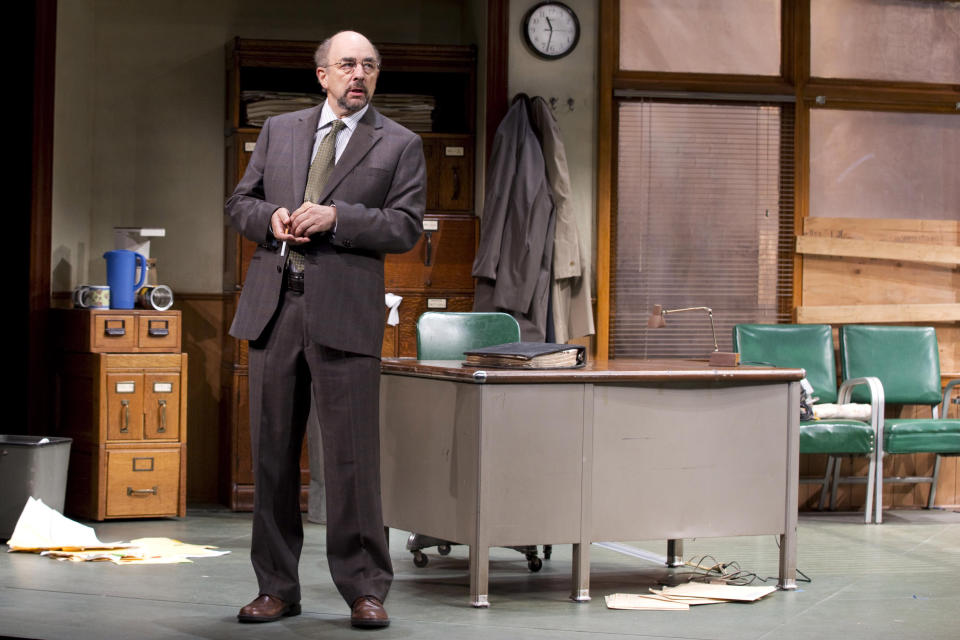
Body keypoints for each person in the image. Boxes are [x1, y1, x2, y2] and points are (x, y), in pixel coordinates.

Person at [225, 30, 426, 629]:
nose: (358, 74)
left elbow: (406, 226)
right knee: (273, 457)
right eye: (346, 65)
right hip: (275, 309)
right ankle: (276, 587)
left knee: (351, 461)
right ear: (323, 75)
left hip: (344, 313)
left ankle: (366, 588)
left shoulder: (401, 143)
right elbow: (240, 202)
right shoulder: (280, 131)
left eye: (368, 65)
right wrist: (273, 218)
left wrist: (339, 217)